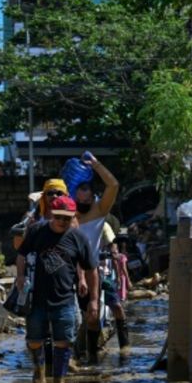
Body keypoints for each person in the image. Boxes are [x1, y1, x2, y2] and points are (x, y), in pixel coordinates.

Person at [15, 196, 97, 383]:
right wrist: (19, 275)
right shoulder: (37, 231)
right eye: (59, 217)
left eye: (67, 218)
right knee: (34, 340)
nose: (62, 221)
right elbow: (21, 254)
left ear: (73, 217)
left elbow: (91, 269)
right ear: (52, 213)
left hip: (65, 298)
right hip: (36, 298)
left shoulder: (79, 238)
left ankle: (59, 380)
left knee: (64, 342)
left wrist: (94, 300)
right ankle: (39, 371)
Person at [70, 153, 125, 358]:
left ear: (93, 196)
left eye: (87, 196)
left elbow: (113, 185)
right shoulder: (66, 213)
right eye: (78, 196)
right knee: (69, 318)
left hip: (91, 268)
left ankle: (91, 357)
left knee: (93, 315)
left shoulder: (99, 210)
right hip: (67, 270)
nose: (82, 202)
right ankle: (70, 357)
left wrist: (96, 165)